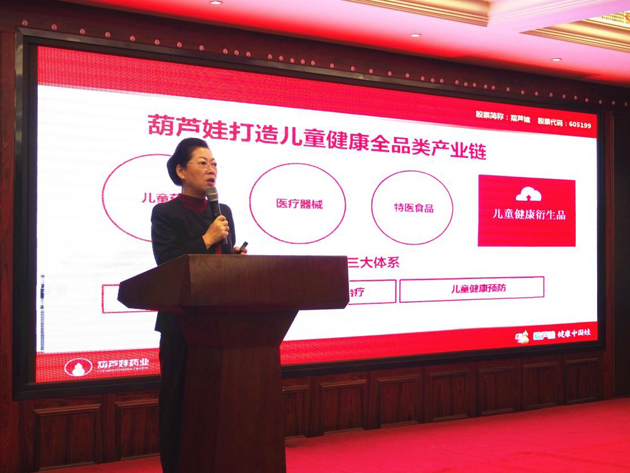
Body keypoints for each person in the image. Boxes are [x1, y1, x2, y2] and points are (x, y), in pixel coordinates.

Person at [150, 137, 246, 472]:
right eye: (202, 163)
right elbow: (167, 263)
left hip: (220, 325)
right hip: (181, 324)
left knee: (216, 404)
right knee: (177, 402)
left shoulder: (223, 211)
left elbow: (218, 264)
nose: (211, 169)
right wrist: (207, 239)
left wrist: (233, 258)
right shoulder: (165, 213)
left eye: (214, 163)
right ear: (181, 170)